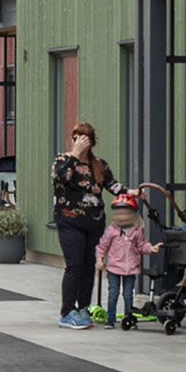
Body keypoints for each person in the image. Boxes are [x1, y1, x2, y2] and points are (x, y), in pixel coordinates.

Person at [49, 120, 112, 329]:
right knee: (74, 264)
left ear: (92, 142)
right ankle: (67, 312)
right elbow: (59, 179)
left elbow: (112, 184)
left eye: (84, 138)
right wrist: (75, 155)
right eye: (76, 137)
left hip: (94, 221)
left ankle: (83, 307)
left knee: (88, 267)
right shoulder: (63, 160)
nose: (80, 142)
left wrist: (132, 193)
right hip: (70, 221)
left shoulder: (99, 165)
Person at [93, 190, 148, 327]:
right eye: (120, 214)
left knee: (128, 294)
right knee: (113, 293)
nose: (123, 217)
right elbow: (102, 246)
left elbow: (142, 245)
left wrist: (150, 248)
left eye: (126, 213)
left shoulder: (136, 231)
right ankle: (111, 319)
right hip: (114, 267)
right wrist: (99, 260)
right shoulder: (111, 231)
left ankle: (128, 317)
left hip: (130, 268)